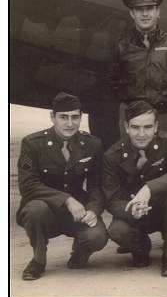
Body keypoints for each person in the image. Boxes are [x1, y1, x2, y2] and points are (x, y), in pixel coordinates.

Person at [17, 92, 108, 280]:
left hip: (76, 212)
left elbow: (96, 185)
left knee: (97, 236)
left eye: (75, 117)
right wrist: (66, 200)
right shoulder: (33, 144)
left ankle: (79, 254)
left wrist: (93, 209)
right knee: (36, 210)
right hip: (45, 209)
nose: (70, 123)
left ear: (81, 117)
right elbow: (28, 185)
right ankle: (38, 261)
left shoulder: (92, 144)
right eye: (63, 117)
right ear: (53, 117)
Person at [103, 100, 167, 277]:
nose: (142, 134)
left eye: (148, 127)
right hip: (134, 212)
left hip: (164, 209)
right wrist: (132, 210)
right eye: (135, 127)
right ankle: (141, 248)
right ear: (126, 127)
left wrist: (148, 188)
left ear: (156, 126)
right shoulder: (112, 155)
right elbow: (111, 199)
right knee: (117, 230)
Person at [109, 0, 167, 141]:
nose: (145, 14)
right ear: (132, 13)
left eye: (149, 8)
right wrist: (130, 103)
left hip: (166, 117)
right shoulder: (122, 45)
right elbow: (112, 80)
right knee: (132, 162)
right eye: (139, 9)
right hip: (133, 117)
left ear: (158, 12)